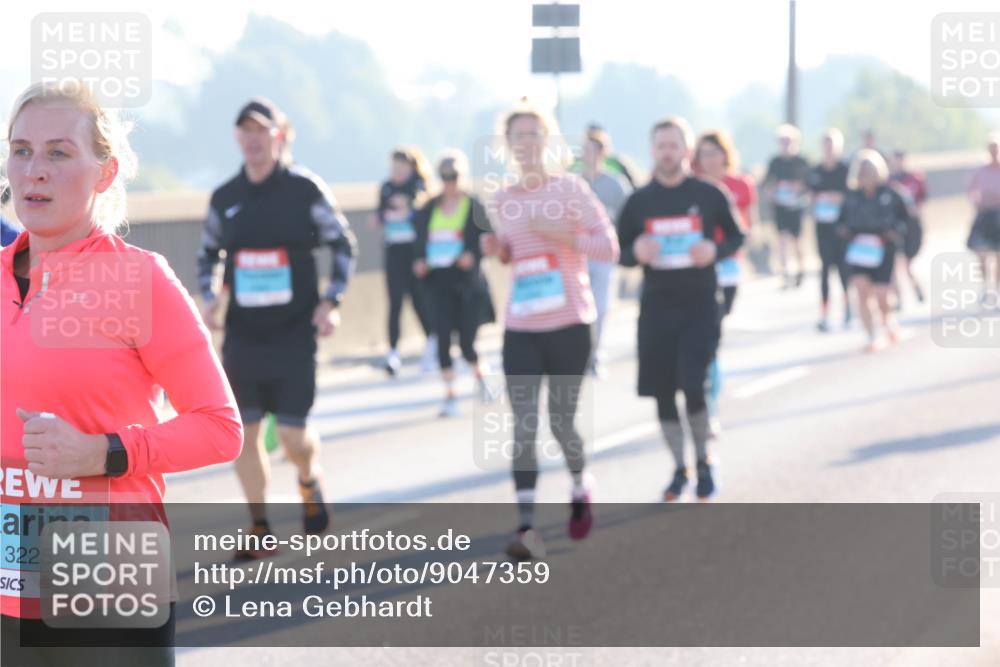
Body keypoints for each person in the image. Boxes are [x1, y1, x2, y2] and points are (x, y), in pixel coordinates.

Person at [1, 81, 243, 666]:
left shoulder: (139, 280)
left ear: (104, 174)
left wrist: (104, 452)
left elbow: (220, 428)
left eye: (59, 153)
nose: (34, 170)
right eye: (21, 149)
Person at [197, 98, 356, 559]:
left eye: (261, 130)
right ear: (236, 138)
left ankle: (309, 477)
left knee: (291, 435)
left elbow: (342, 244)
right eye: (244, 131)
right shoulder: (225, 198)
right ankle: (260, 526)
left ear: (280, 136)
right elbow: (208, 253)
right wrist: (209, 296)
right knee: (242, 432)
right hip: (244, 335)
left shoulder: (304, 190)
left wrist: (332, 301)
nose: (253, 139)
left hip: (293, 332)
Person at [480, 100, 618, 560]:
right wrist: (498, 249)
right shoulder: (503, 199)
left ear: (549, 140)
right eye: (518, 136)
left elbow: (609, 248)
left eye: (535, 134)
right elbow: (515, 256)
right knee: (523, 426)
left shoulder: (572, 190)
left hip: (569, 324)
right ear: (509, 146)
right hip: (521, 325)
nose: (527, 143)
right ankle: (525, 527)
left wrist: (563, 236)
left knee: (561, 422)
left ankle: (580, 484)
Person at [618, 118, 744, 502]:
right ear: (652, 151)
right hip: (657, 306)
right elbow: (618, 249)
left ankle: (705, 461)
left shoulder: (709, 194)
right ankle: (679, 468)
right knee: (661, 391)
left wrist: (716, 250)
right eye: (661, 146)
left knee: (692, 383)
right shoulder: (639, 201)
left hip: (700, 304)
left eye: (674, 145)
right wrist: (635, 253)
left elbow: (738, 233)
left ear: (686, 151)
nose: (667, 152)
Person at [413, 151, 494, 417]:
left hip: (467, 284)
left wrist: (474, 255)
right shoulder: (428, 208)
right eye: (445, 177)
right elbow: (418, 244)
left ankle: (481, 378)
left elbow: (489, 240)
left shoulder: (474, 206)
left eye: (454, 176)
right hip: (438, 282)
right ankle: (450, 396)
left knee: (467, 343)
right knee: (443, 339)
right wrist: (420, 262)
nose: (450, 182)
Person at [692, 130, 757, 437]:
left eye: (714, 152)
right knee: (707, 336)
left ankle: (710, 400)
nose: (709, 159)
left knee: (712, 335)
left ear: (725, 154)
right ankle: (707, 403)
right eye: (703, 153)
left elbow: (747, 226)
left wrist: (731, 241)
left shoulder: (740, 184)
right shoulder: (691, 187)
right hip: (697, 269)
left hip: (728, 267)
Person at [837, 149, 909, 352]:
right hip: (858, 250)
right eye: (862, 172)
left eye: (869, 171)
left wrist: (894, 232)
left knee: (881, 296)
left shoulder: (891, 194)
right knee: (861, 291)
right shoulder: (851, 196)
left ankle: (888, 320)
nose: (865, 176)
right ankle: (871, 335)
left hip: (883, 249)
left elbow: (905, 220)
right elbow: (840, 221)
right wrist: (844, 231)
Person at [375, 146, 436, 376]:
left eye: (401, 167)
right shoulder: (386, 187)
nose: (396, 171)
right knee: (395, 302)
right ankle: (392, 352)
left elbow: (424, 215)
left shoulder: (418, 186)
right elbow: (380, 213)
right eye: (393, 167)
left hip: (415, 251)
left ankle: (433, 341)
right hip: (394, 250)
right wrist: (383, 215)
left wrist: (408, 208)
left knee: (419, 299)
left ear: (411, 167)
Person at [578, 126, 632, 377]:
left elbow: (628, 217)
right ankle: (579, 355)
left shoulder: (615, 184)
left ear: (601, 152)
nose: (586, 154)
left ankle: (594, 355)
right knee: (577, 308)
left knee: (599, 308)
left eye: (591, 149)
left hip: (603, 256)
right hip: (576, 255)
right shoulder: (573, 182)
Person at [806, 128, 852, 331]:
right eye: (825, 145)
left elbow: (852, 196)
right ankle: (824, 313)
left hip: (842, 227)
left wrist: (835, 197)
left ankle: (848, 308)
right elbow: (809, 195)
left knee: (843, 270)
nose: (828, 149)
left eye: (832, 145)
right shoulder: (816, 171)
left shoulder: (846, 170)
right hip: (822, 226)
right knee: (824, 270)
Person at [764, 124, 810, 288]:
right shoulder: (775, 162)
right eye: (782, 141)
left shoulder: (802, 161)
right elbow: (767, 184)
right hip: (780, 207)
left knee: (797, 241)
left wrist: (798, 188)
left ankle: (801, 269)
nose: (785, 144)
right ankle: (785, 274)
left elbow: (809, 184)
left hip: (796, 207)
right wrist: (773, 193)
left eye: (788, 140)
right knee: (782, 240)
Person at [888, 148, 929, 307]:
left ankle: (916, 286)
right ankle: (898, 298)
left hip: (912, 225)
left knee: (906, 263)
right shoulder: (889, 180)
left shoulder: (914, 178)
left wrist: (916, 209)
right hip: (896, 225)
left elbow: (923, 197)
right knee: (893, 264)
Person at [966, 133, 1000, 305]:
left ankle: (997, 288)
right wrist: (976, 200)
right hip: (984, 214)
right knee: (981, 253)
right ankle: (986, 287)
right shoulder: (981, 171)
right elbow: (971, 190)